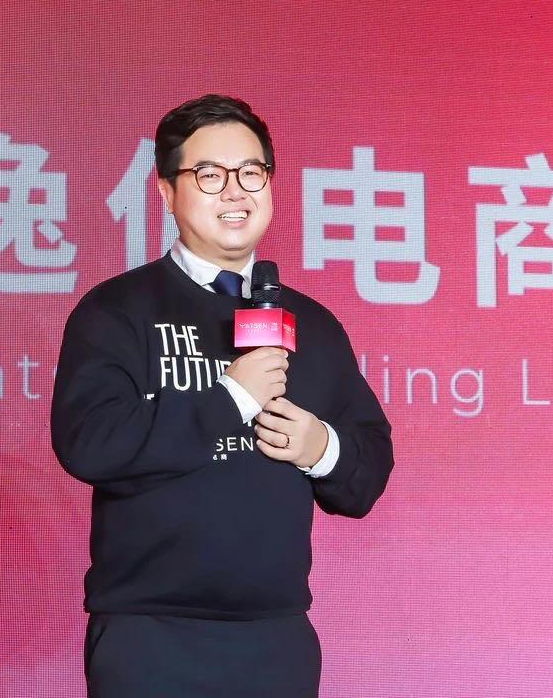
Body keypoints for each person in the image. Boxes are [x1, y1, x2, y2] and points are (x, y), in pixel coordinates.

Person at [51, 94, 393, 697]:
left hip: (276, 638)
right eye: (209, 175)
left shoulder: (313, 325)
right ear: (167, 192)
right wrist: (229, 398)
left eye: (251, 172)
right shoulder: (116, 311)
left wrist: (321, 449)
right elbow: (89, 443)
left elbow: (367, 471)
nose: (235, 191)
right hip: (150, 635)